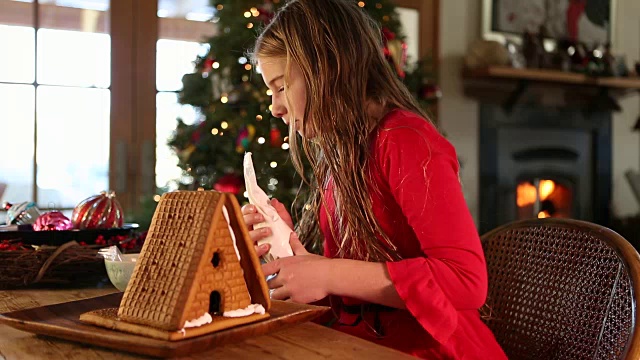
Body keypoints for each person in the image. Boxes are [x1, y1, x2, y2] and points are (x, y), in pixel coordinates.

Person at [242, 0, 507, 358]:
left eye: (281, 87)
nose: (274, 107)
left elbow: (466, 281)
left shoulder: (406, 139)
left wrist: (329, 274)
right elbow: (350, 273)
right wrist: (285, 245)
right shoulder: (344, 152)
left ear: (328, 68)